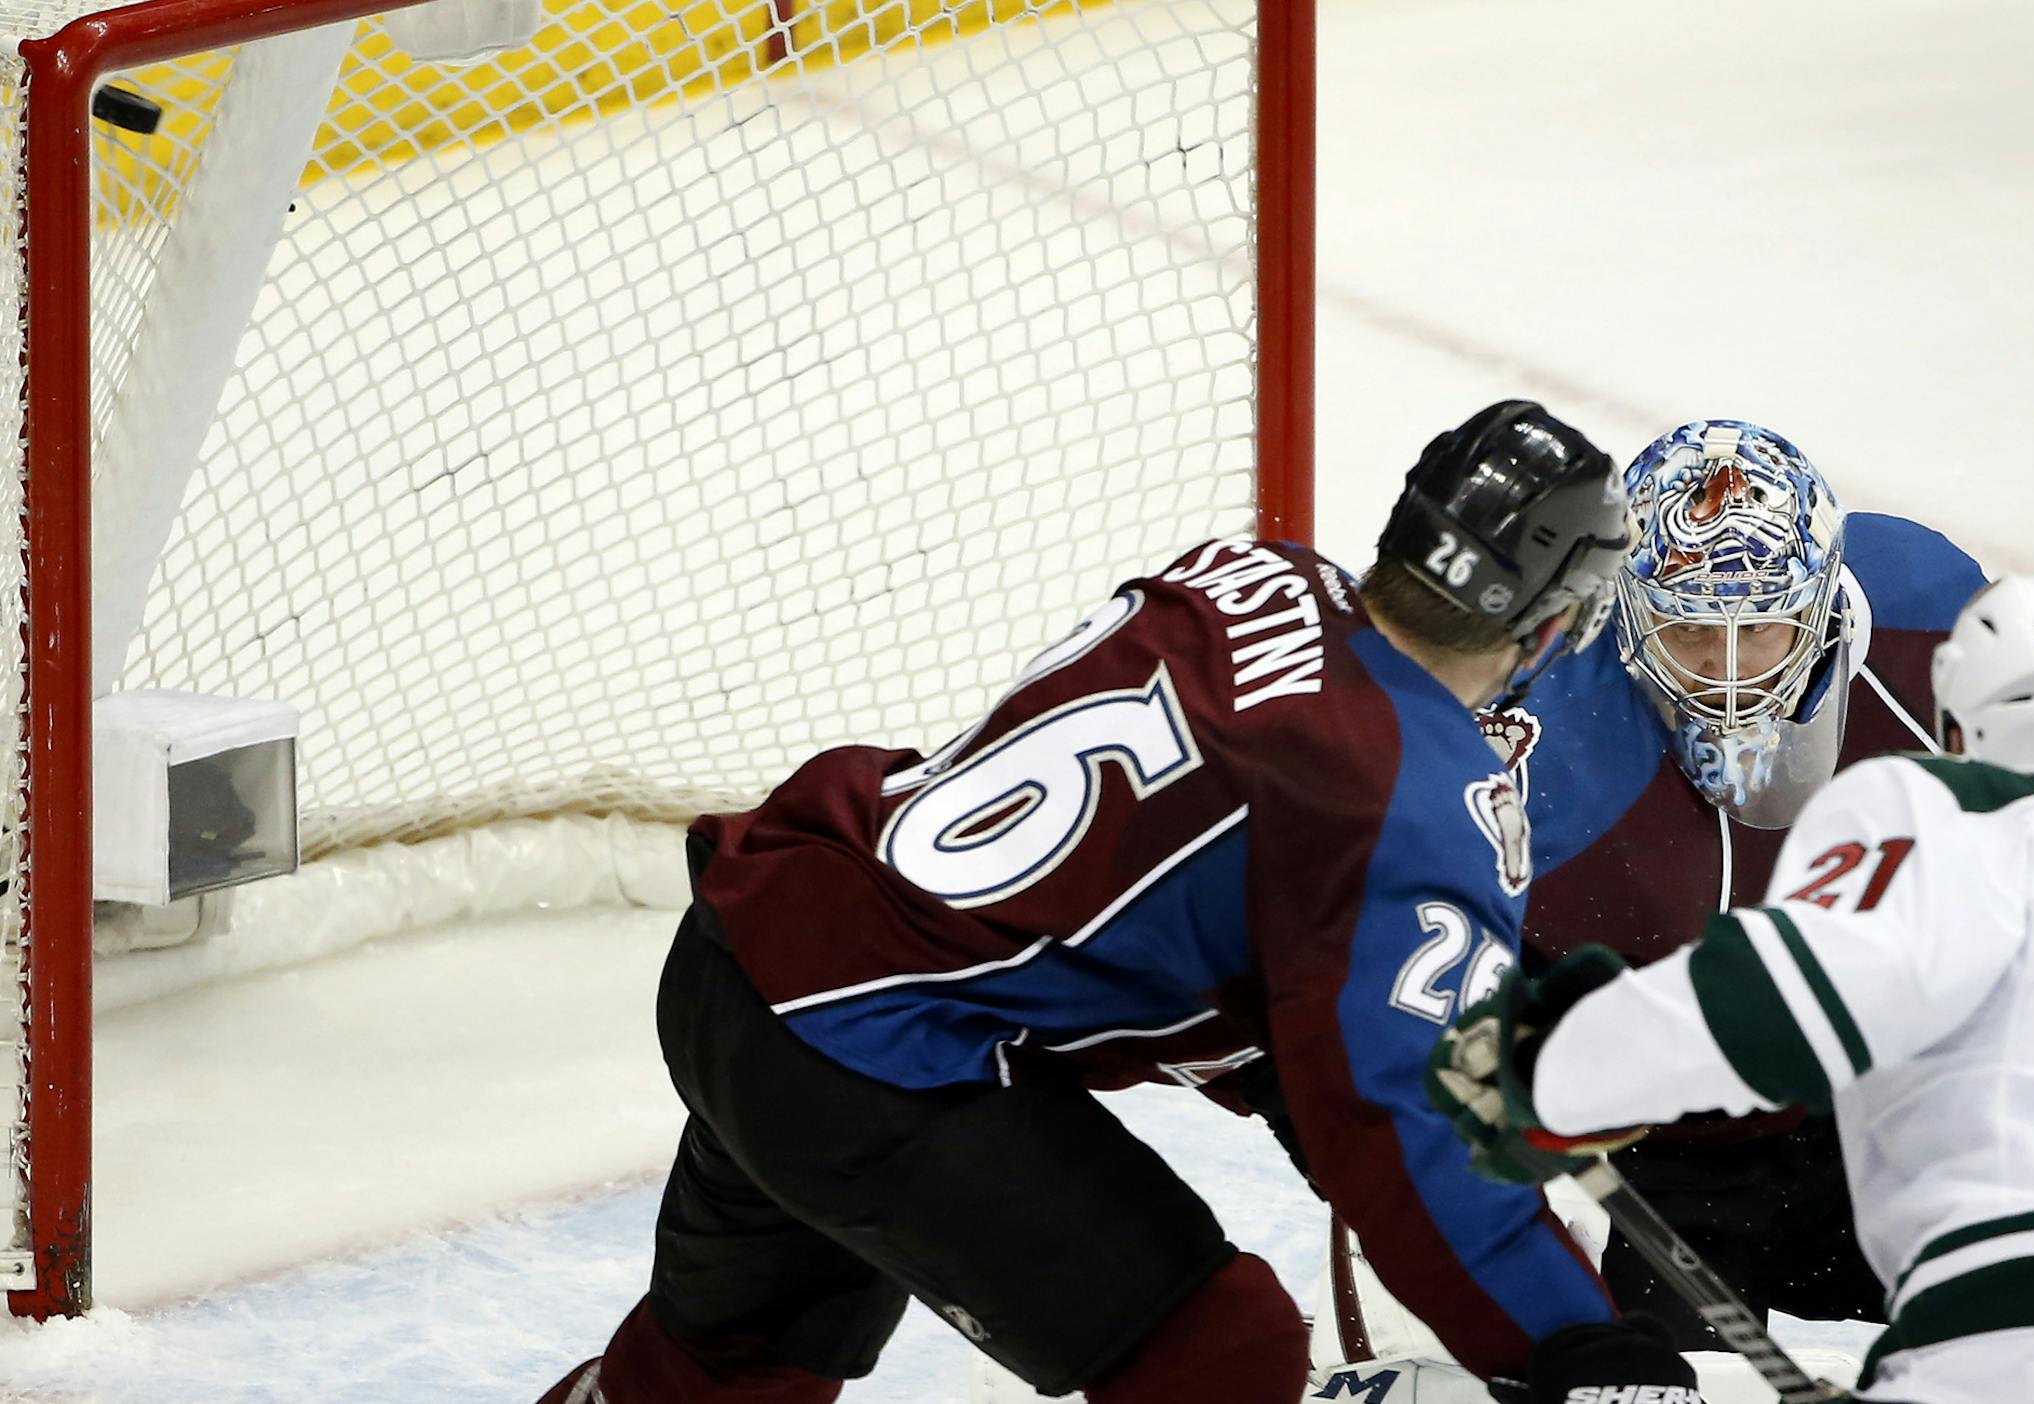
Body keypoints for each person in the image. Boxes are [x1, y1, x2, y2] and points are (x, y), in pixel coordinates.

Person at [535, 402, 1682, 1404]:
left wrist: (1385, 1033)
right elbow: (1397, 1129)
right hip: (872, 1055)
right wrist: (1565, 1339)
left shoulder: (1245, 570)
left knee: (721, 1378)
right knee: (1218, 1355)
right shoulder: (1414, 790)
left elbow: (1179, 884)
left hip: (750, 947)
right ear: (1552, 622)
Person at [1432, 574, 2034, 1402]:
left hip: (1996, 1335)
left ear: (1957, 719)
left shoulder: (1944, 815)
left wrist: (1549, 1070)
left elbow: (1776, 1004)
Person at [1418, 419, 1983, 1350]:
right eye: (1689, 631)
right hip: (1679, 1171)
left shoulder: (1939, 630)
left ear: (1827, 610)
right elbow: (1432, 967)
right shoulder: (1539, 741)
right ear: (1625, 612)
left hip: (1896, 1117)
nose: (1728, 676)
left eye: (1761, 628)